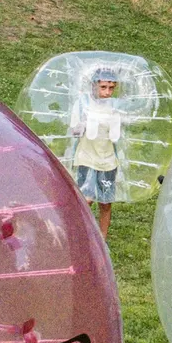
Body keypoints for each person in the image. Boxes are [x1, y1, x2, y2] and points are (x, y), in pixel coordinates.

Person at [67, 68, 124, 238]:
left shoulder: (114, 107)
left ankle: (102, 240)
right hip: (86, 157)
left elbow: (117, 135)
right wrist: (82, 124)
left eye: (111, 88)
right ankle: (79, 235)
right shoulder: (83, 103)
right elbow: (73, 131)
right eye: (104, 87)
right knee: (86, 200)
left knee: (105, 203)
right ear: (94, 86)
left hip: (107, 160)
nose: (107, 92)